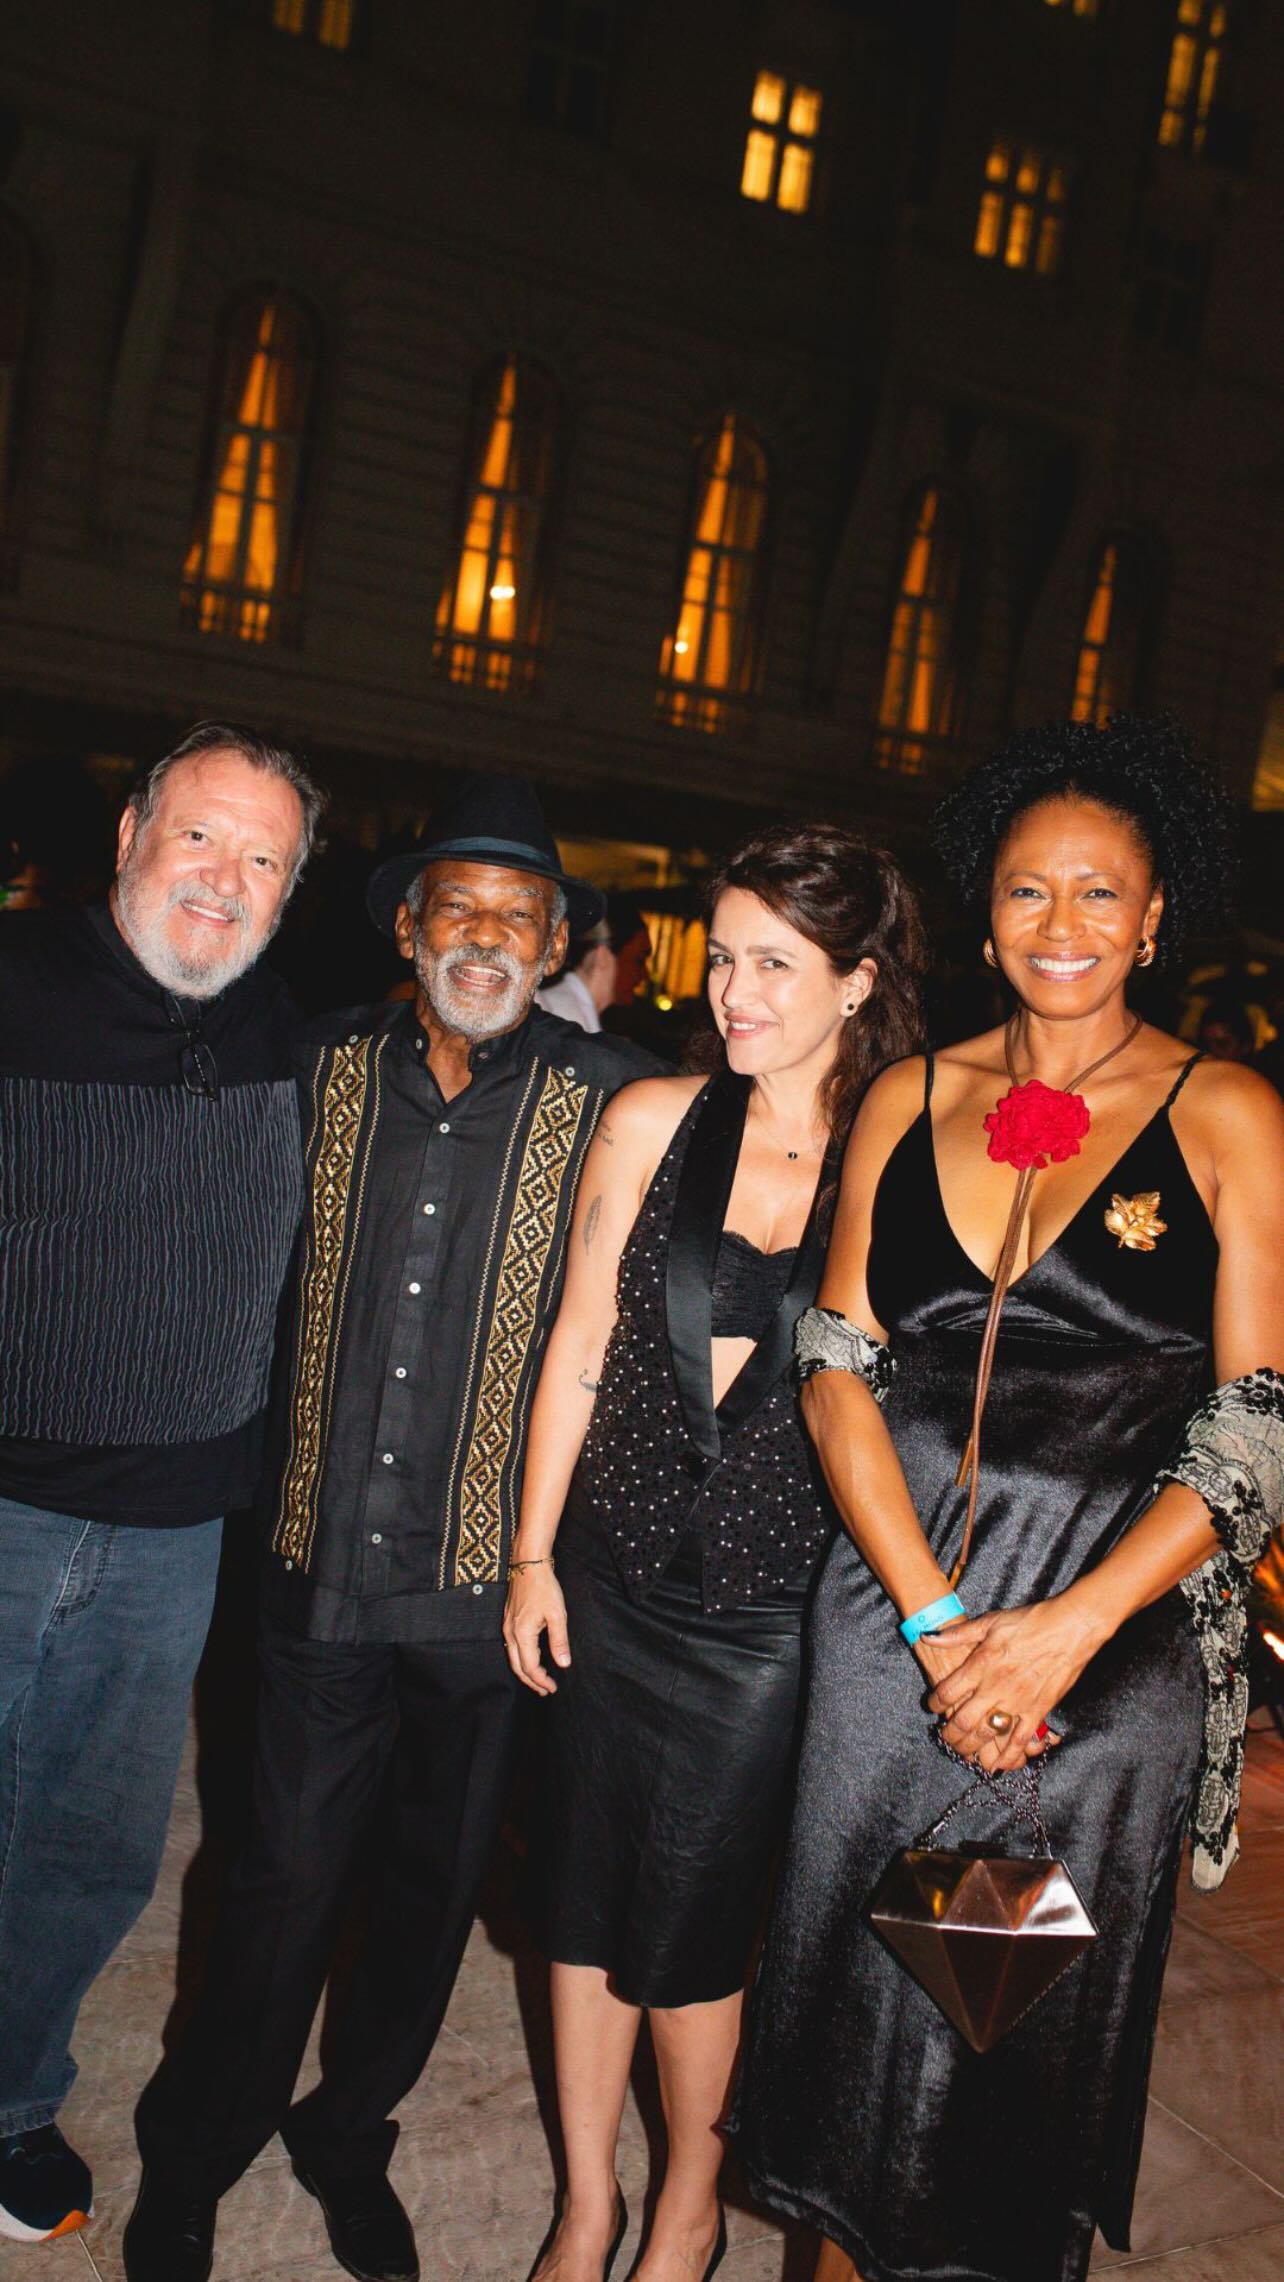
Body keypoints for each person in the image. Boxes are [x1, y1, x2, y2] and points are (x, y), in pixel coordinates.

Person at [729, 716, 1284, 2282]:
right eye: (1030, 892)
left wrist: (1060, 1638)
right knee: (855, 2005)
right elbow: (838, 1361)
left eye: (1100, 895)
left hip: (1100, 1651)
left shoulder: (1229, 1109)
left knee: (985, 2028)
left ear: (1157, 913)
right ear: (984, 913)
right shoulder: (906, 1093)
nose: (1062, 925)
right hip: (897, 1616)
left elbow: (1260, 1422)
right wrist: (931, 1617)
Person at [126, 775, 659, 2282]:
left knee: (427, 1902)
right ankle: (198, 2149)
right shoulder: (314, 1064)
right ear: (410, 925)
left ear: (556, 938)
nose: (486, 935)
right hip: (314, 1575)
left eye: (520, 914)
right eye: (460, 906)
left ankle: (347, 2133)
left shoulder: (616, 1098)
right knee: (279, 1881)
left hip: (495, 1600)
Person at [505, 825, 927, 2282]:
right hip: (608, 1582)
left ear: (858, 980)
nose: (732, 991)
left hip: (763, 1624)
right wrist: (529, 1556)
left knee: (690, 1929)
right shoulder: (650, 1118)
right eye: (723, 953)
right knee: (572, 1904)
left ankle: (689, 2195)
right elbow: (573, 1349)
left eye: (773, 964)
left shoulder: (904, 1160)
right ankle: (584, 2201)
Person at [0, 722, 322, 2246]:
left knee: (87, 1850)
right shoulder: (10, 977)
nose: (223, 880)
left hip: (171, 1538)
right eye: (201, 836)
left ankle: (7, 2099)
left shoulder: (291, 1036)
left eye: (264, 859)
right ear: (131, 827)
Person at [538, 917, 618, 1031]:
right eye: (638, 960)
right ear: (603, 957)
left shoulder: (572, 1011)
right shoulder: (566, 1017)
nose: (643, 973)